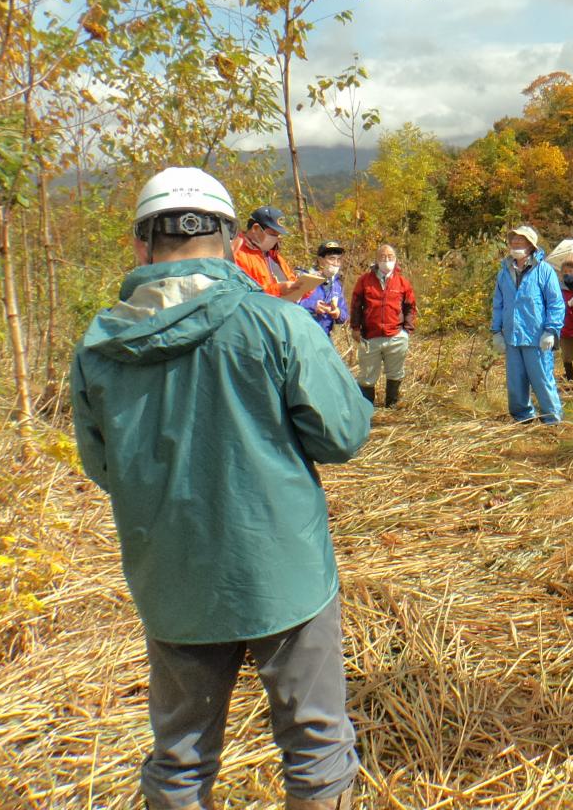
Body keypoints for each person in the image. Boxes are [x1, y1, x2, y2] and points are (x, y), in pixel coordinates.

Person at [71, 167, 371, 810]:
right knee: (316, 749)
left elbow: (103, 466)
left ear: (141, 247)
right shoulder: (278, 325)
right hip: (283, 574)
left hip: (172, 579)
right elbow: (343, 434)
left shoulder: (99, 349)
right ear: (233, 239)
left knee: (180, 758)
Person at [491, 225, 565, 424]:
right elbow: (498, 304)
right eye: (513, 240)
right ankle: (522, 417)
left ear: (531, 245)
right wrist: (496, 331)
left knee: (542, 379)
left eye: (521, 240)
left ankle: (552, 419)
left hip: (537, 337)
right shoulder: (504, 272)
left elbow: (556, 303)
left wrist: (551, 330)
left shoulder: (544, 270)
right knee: (515, 382)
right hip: (512, 336)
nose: (516, 243)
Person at [349, 244, 418, 408]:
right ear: (376, 259)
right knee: (367, 376)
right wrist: (355, 328)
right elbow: (356, 305)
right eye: (382, 257)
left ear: (395, 260)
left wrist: (407, 330)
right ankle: (366, 408)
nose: (386, 260)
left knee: (395, 373)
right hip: (370, 336)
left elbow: (410, 306)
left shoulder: (402, 282)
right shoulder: (364, 280)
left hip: (395, 336)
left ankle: (391, 406)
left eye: (390, 257)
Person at [232, 206, 300, 297]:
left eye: (278, 235)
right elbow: (244, 293)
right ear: (255, 228)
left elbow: (291, 279)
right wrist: (278, 289)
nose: (276, 239)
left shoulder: (273, 256)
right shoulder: (238, 253)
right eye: (272, 234)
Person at [299, 240, 349, 337]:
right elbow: (291, 303)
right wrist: (313, 306)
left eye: (338, 260)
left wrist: (338, 313)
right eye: (332, 259)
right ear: (320, 260)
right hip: (304, 334)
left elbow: (345, 315)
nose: (335, 263)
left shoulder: (337, 285)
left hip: (324, 336)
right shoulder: (307, 278)